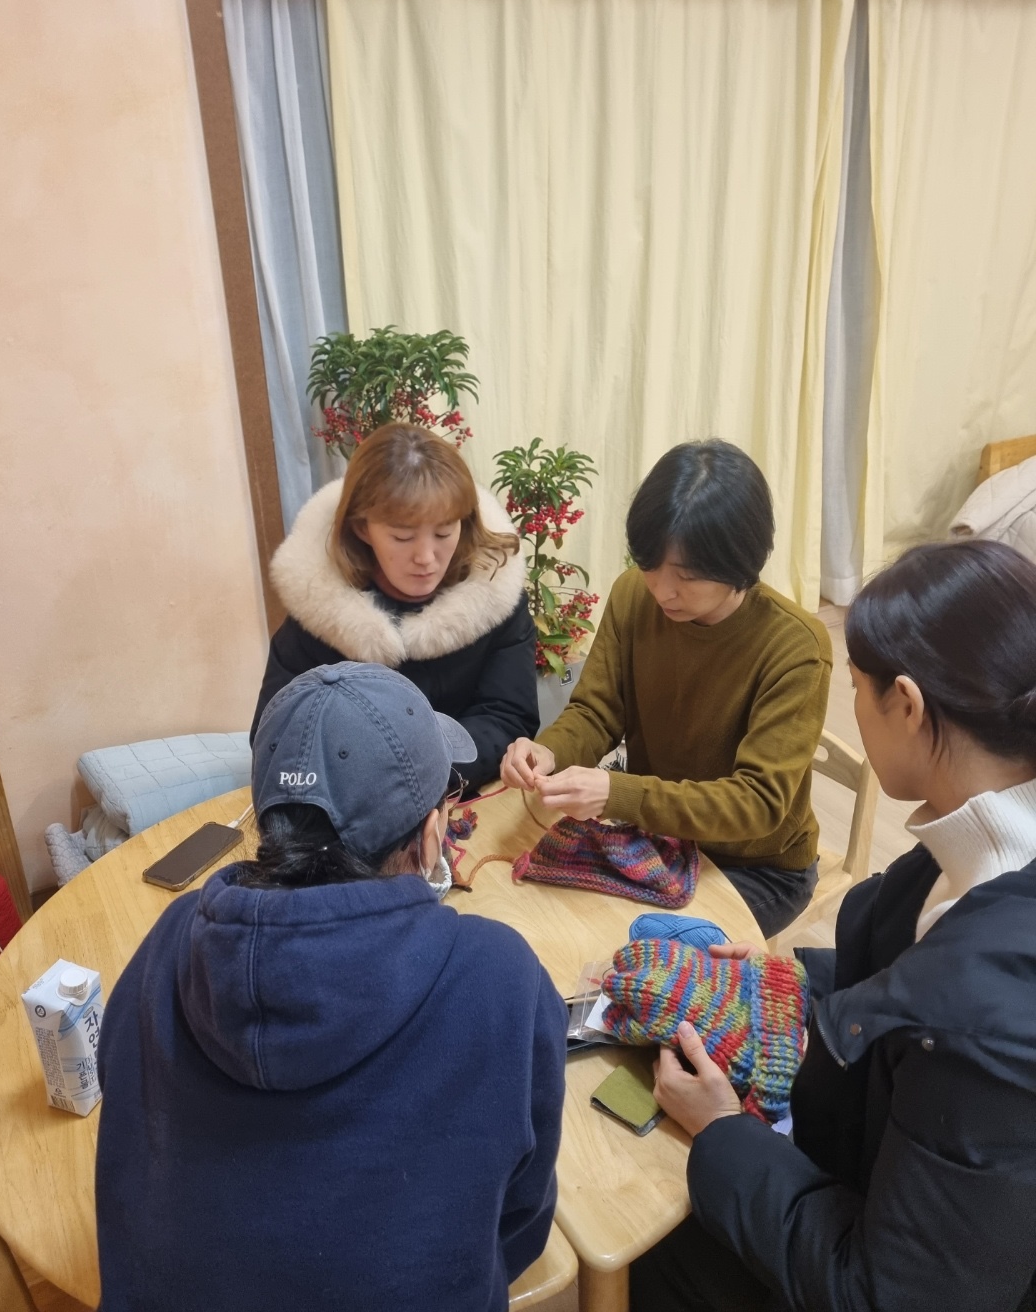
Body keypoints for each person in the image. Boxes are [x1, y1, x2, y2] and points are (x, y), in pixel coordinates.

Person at [630, 539, 1036, 1312]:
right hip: (887, 1186)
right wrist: (791, 977)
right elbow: (911, 971)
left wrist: (724, 1132)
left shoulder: (990, 1023)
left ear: (907, 705)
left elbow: (892, 1294)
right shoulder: (971, 854)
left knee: (659, 1238)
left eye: (857, 689)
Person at [96, 662, 567, 1312]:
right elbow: (520, 1221)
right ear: (434, 834)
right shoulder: (499, 975)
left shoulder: (173, 940)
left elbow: (125, 1140)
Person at [501, 440, 832, 938]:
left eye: (688, 576)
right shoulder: (633, 595)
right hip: (660, 838)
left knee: (634, 950)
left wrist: (618, 794)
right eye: (650, 565)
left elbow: (758, 803)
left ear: (740, 562)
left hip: (755, 867)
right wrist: (548, 752)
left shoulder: (796, 647)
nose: (661, 590)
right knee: (546, 913)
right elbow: (596, 711)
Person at [252, 422, 539, 793]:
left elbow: (507, 717)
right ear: (362, 528)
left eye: (444, 532)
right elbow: (276, 739)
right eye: (402, 536)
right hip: (351, 803)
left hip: (460, 793)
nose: (426, 557)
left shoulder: (495, 596)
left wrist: (418, 776)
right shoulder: (319, 611)